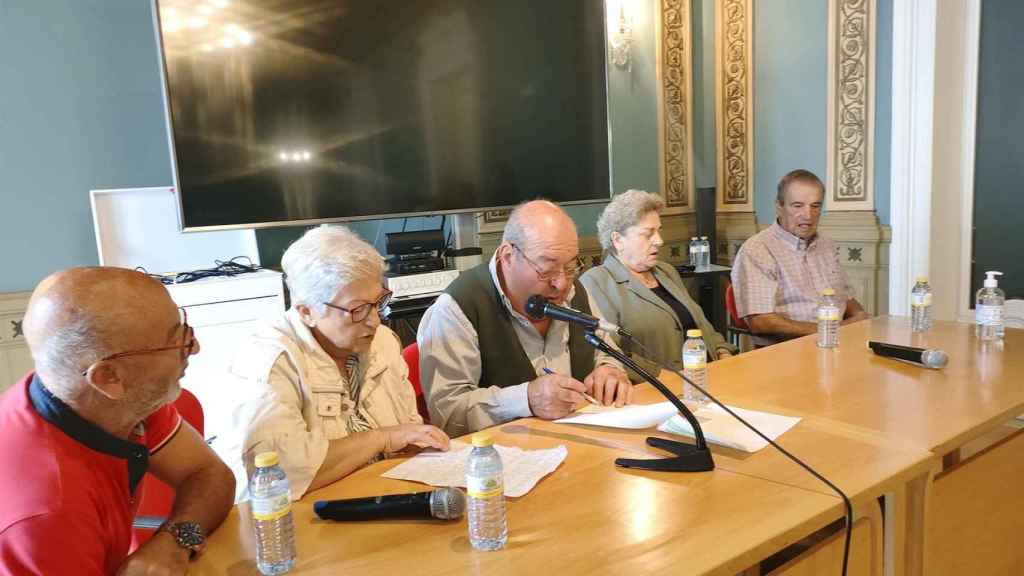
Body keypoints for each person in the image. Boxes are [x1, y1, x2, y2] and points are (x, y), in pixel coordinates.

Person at [0, 267, 235, 576]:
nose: (195, 348)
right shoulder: (48, 513)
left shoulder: (120, 400)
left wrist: (173, 542)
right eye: (177, 342)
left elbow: (209, 475)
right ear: (108, 377)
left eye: (186, 330)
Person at [215, 225, 449, 503]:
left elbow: (409, 433)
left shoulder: (383, 342)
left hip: (379, 501)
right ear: (307, 311)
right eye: (357, 309)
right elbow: (282, 474)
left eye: (378, 303)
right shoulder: (268, 361)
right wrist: (381, 439)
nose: (375, 320)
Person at [418, 200, 632, 437]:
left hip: (580, 444)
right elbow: (447, 414)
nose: (561, 283)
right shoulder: (458, 308)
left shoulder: (574, 291)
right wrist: (526, 399)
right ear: (507, 256)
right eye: (546, 270)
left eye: (571, 267)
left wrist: (609, 370)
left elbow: (606, 350)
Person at [581, 190, 736, 379]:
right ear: (618, 240)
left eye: (658, 230)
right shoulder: (597, 282)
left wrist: (722, 352)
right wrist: (664, 376)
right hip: (655, 389)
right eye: (648, 234)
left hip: (705, 377)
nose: (659, 241)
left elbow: (700, 323)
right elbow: (609, 351)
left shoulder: (666, 272)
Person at [731, 169, 869, 345]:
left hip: (837, 342)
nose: (808, 215)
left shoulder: (827, 245)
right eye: (797, 206)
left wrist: (860, 317)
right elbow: (761, 322)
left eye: (815, 206)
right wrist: (833, 330)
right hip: (787, 350)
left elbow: (846, 298)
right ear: (779, 206)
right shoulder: (757, 249)